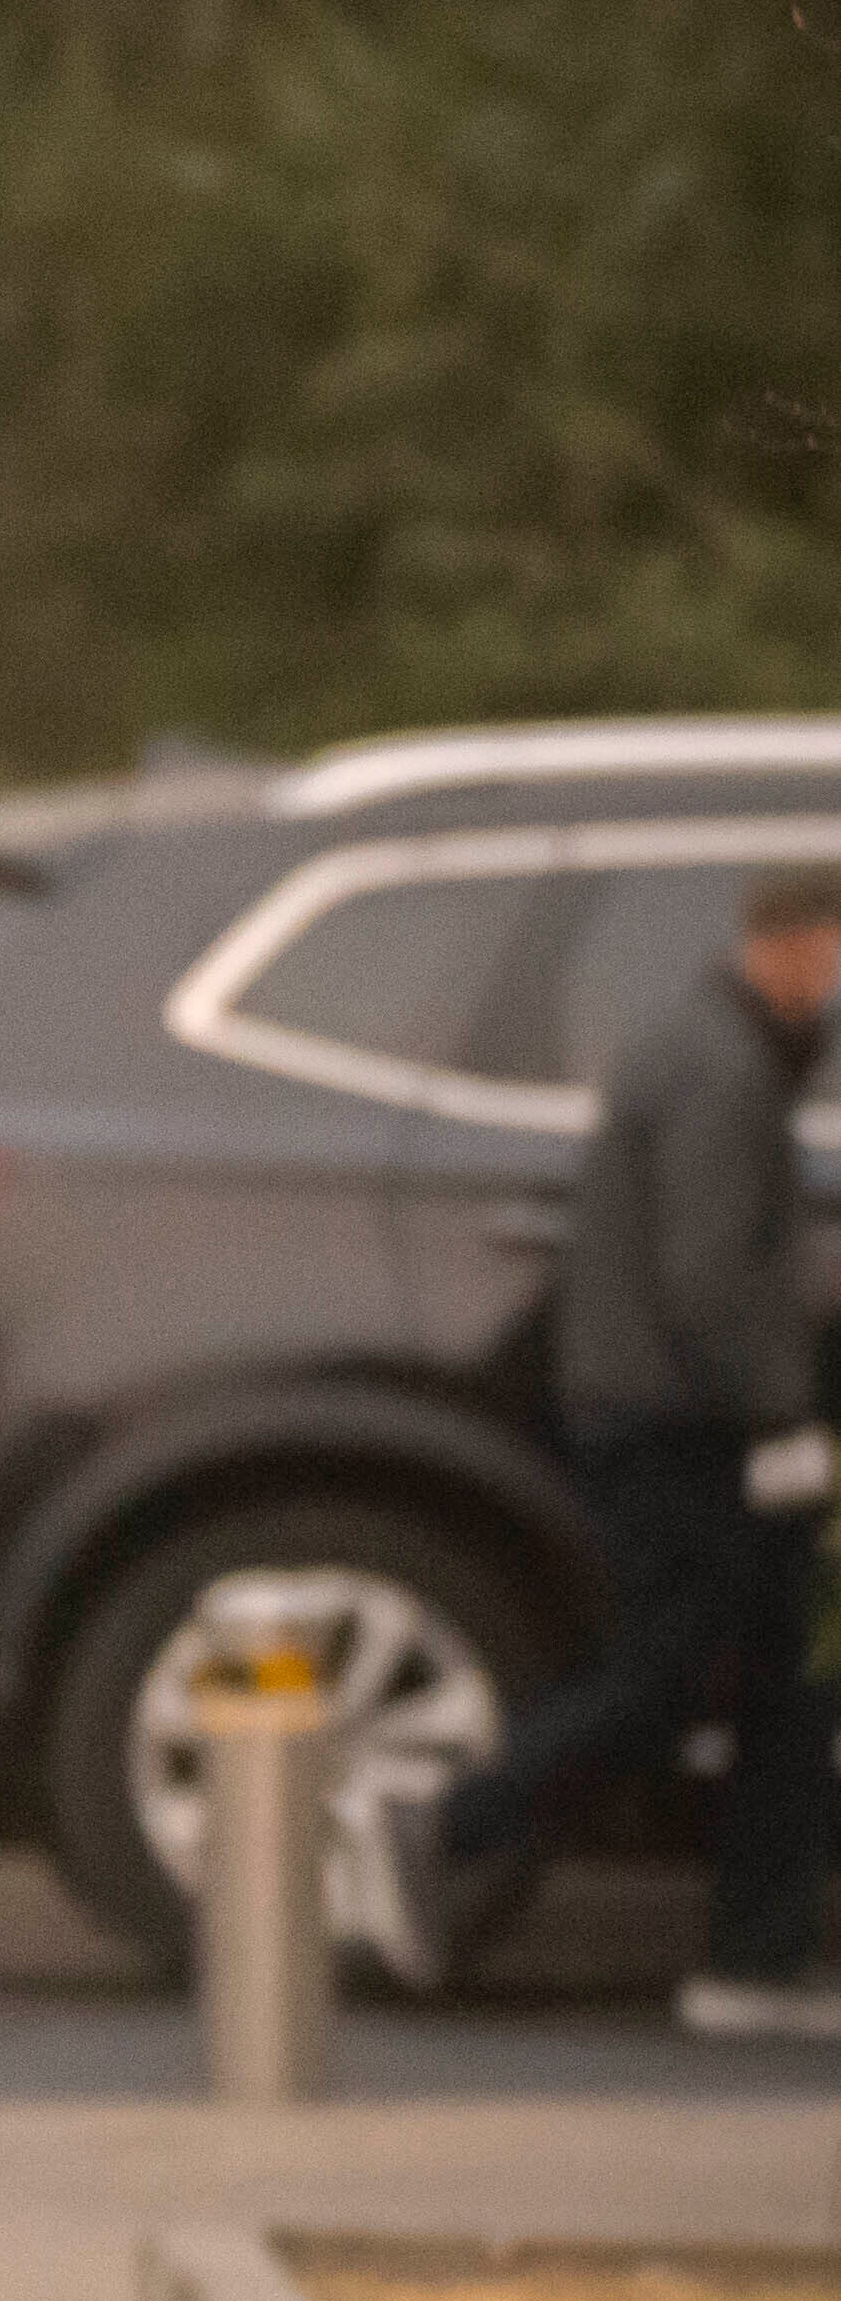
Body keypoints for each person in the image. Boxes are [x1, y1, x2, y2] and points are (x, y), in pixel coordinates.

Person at [371, 868, 841, 2031]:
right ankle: (441, 1825)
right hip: (687, 1429)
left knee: (778, 1669)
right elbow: (710, 1272)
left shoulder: (716, 1051)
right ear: (788, 943)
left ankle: (759, 1953)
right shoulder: (718, 1068)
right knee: (682, 1671)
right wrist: (785, 1421)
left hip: (671, 1417)